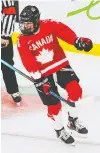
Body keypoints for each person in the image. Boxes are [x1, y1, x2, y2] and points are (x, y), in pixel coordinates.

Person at [17, 5, 93, 144]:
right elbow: (28, 62)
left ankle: (73, 120)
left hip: (60, 65)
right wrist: (39, 80)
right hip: (42, 75)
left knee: (76, 91)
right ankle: (59, 130)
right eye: (23, 24)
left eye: (28, 24)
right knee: (54, 105)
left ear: (36, 21)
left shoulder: (50, 25)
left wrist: (77, 41)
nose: (25, 27)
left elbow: (66, 33)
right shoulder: (22, 40)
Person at [1, 0, 22, 104]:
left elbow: (10, 12)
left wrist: (5, 36)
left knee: (6, 64)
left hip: (2, 37)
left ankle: (13, 90)